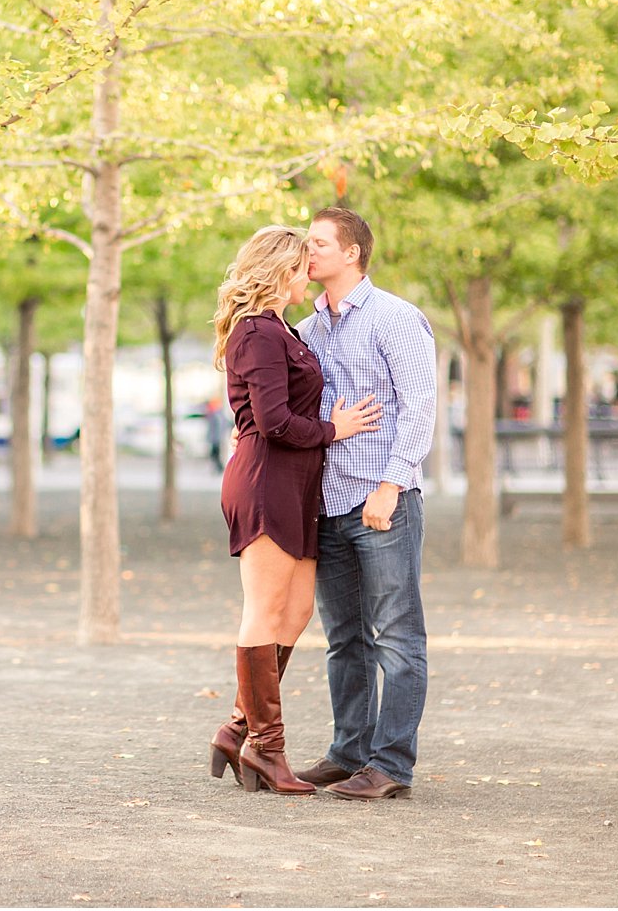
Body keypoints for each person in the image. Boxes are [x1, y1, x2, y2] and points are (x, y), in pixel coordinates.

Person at [208, 224, 381, 795]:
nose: (311, 267)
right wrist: (337, 428)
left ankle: (238, 728)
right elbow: (275, 421)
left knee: (298, 609)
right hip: (266, 480)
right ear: (281, 269)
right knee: (263, 610)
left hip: (296, 484)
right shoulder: (256, 331)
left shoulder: (281, 327)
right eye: (302, 259)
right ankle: (268, 748)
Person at [294, 206, 437, 801]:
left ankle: (391, 765)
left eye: (320, 241)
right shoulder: (307, 329)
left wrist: (391, 485)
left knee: (397, 637)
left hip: (382, 503)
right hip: (327, 501)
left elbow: (419, 406)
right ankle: (348, 752)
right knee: (344, 639)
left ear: (352, 253)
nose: (309, 249)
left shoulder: (396, 318)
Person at [204, 398, 227, 473]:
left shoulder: (215, 415)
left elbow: (216, 428)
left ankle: (219, 468)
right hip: (216, 439)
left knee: (215, 455)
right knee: (215, 455)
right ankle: (218, 468)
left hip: (215, 439)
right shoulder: (217, 415)